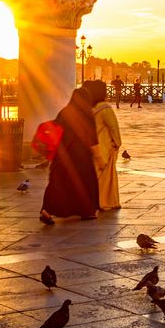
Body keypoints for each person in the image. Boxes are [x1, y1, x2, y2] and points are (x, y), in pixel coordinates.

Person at [40, 83, 100, 223]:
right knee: (84, 184)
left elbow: (56, 128)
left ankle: (47, 210)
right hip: (81, 157)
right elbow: (92, 138)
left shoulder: (65, 111)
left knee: (57, 184)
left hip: (62, 156)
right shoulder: (87, 114)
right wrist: (97, 155)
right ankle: (86, 211)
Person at [90, 79, 123, 212]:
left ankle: (99, 200)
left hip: (95, 145)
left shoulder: (92, 108)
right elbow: (113, 128)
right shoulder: (106, 108)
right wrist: (117, 143)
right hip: (106, 145)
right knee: (107, 177)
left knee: (98, 176)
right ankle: (107, 201)